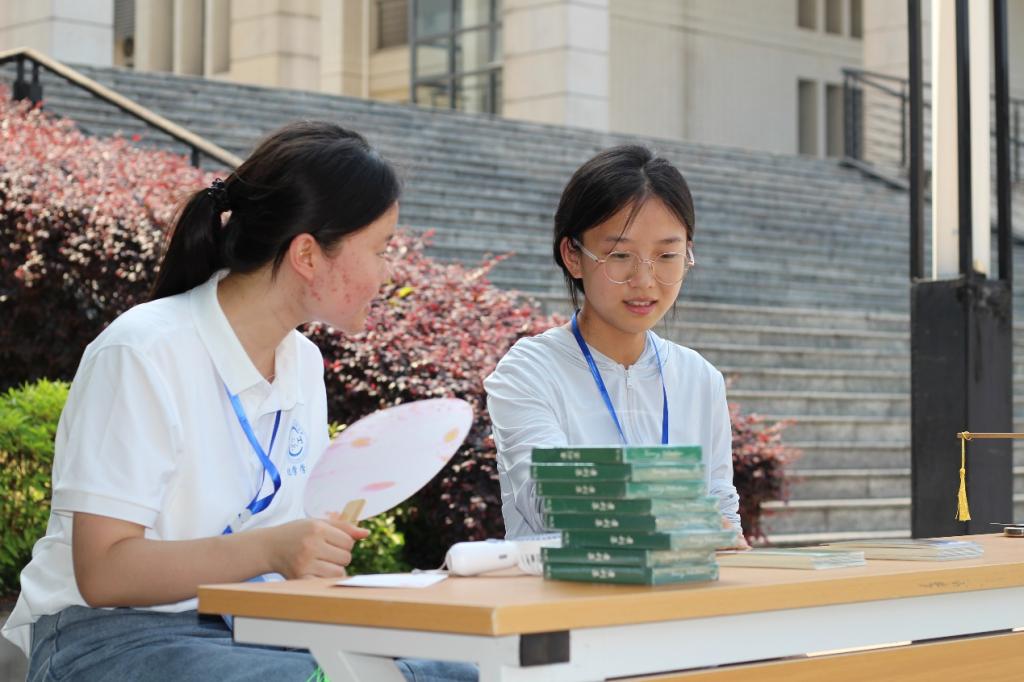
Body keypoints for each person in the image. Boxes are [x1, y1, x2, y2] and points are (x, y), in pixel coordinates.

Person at [2, 121, 477, 682]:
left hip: (253, 631)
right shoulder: (144, 349)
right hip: (110, 637)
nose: (388, 273)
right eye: (382, 249)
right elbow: (104, 572)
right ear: (307, 255)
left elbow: (289, 558)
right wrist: (272, 550)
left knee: (457, 671)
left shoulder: (302, 362)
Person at [484, 145, 747, 548]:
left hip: (684, 589)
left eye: (667, 255)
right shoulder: (529, 371)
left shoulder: (699, 378)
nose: (645, 280)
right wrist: (690, 516)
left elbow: (724, 516)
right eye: (620, 255)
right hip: (566, 589)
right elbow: (552, 503)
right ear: (573, 255)